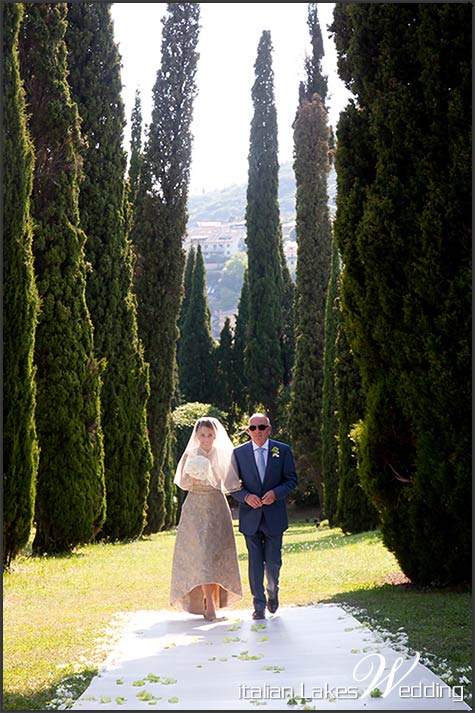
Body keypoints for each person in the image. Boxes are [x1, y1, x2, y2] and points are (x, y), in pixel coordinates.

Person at [170, 417, 243, 621]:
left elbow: (231, 483)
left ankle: (209, 601)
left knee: (214, 555)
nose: (206, 439)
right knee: (201, 556)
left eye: (210, 435)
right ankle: (209, 605)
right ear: (197, 435)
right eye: (202, 435)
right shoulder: (190, 455)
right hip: (195, 508)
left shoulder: (222, 455)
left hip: (216, 506)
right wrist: (192, 478)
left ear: (215, 436)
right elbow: (183, 483)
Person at [232, 413, 297, 620]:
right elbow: (232, 486)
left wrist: (276, 494)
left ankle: (272, 591)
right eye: (253, 428)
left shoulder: (282, 450)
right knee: (254, 562)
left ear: (269, 429)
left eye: (261, 427)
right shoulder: (238, 453)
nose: (257, 432)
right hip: (250, 518)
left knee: (273, 562)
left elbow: (291, 480)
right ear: (248, 431)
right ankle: (258, 605)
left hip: (274, 517)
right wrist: (246, 496)